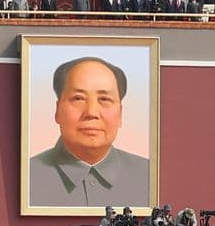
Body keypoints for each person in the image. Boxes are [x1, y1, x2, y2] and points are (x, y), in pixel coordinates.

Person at [27, 54, 152, 209]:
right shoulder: (26, 177)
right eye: (78, 98)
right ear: (58, 110)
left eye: (104, 99)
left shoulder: (150, 176)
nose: (91, 112)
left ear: (120, 114)